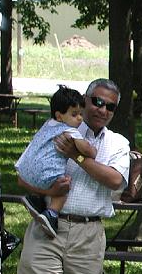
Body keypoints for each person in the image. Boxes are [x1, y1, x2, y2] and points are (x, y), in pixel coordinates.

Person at [15, 78, 130, 274]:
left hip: (88, 229)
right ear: (85, 99)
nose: (102, 109)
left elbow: (114, 180)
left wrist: (79, 157)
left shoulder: (117, 143)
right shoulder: (55, 129)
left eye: (110, 106)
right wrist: (49, 191)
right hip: (49, 224)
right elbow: (24, 173)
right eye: (96, 101)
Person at [16, 85, 98, 239]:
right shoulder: (69, 131)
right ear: (59, 116)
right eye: (75, 114)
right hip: (46, 175)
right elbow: (86, 150)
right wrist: (92, 151)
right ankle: (52, 213)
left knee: (44, 174)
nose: (80, 118)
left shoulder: (48, 124)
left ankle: (36, 199)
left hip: (26, 169)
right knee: (64, 184)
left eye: (81, 113)